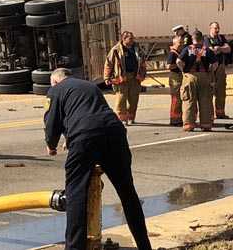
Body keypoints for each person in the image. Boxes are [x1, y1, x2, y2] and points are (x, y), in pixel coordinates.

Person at [44, 68, 152, 250]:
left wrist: (51, 145)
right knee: (127, 192)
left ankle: (75, 247)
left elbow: (52, 120)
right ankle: (144, 245)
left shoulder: (56, 89)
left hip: (85, 138)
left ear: (55, 81)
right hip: (115, 132)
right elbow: (90, 113)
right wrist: (71, 137)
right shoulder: (89, 86)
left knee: (76, 194)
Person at [176, 30, 218, 132]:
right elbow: (215, 64)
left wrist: (183, 71)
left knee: (189, 100)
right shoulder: (207, 50)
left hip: (190, 76)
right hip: (204, 76)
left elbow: (178, 61)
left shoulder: (187, 49)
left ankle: (189, 124)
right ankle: (206, 124)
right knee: (205, 101)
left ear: (192, 39)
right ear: (202, 39)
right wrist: (210, 71)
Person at [104, 31, 146, 125]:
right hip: (122, 78)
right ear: (124, 39)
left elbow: (143, 63)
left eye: (133, 38)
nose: (132, 40)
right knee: (121, 99)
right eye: (130, 38)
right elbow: (108, 64)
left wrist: (142, 74)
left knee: (134, 99)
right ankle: (122, 119)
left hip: (135, 78)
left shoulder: (137, 49)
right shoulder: (116, 50)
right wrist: (107, 77)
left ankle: (131, 117)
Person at [204, 22, 231, 119]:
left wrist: (219, 48)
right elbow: (210, 50)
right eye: (215, 28)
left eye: (218, 28)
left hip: (221, 66)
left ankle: (220, 112)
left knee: (221, 91)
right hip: (211, 68)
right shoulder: (206, 39)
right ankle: (210, 114)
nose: (217, 30)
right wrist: (218, 49)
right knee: (210, 91)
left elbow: (228, 49)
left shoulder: (221, 38)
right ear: (210, 28)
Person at [167, 36, 183, 126]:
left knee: (180, 99)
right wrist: (178, 65)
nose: (181, 44)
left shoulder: (179, 52)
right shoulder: (172, 54)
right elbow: (168, 66)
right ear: (175, 43)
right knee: (176, 99)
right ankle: (174, 119)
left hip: (179, 77)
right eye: (179, 43)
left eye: (182, 42)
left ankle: (179, 118)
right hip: (175, 78)